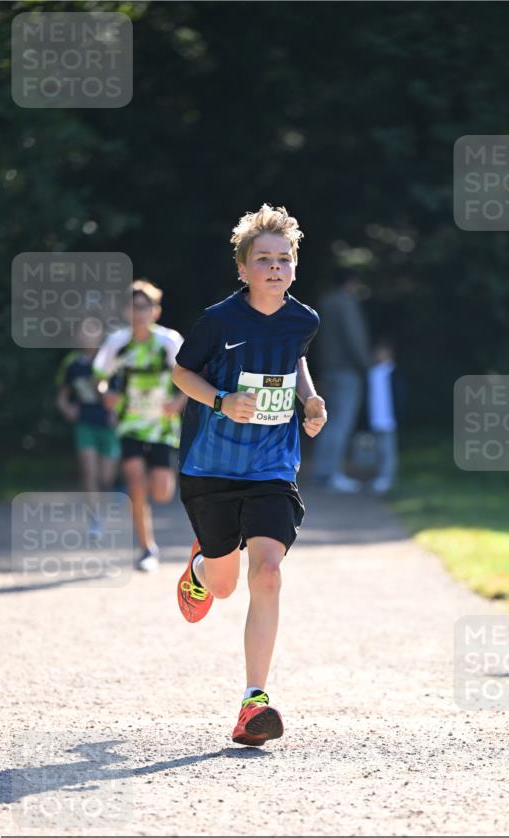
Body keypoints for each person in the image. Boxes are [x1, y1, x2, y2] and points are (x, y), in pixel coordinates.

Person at [172, 203, 326, 747]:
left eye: (284, 259)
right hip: (211, 466)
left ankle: (253, 700)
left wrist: (310, 401)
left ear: (295, 267)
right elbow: (181, 372)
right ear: (243, 268)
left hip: (272, 466)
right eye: (263, 259)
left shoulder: (304, 320)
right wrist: (220, 400)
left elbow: (295, 359)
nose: (275, 267)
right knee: (224, 584)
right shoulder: (219, 320)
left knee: (268, 573)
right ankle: (200, 568)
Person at [93, 280, 186, 571]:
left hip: (162, 426)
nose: (139, 312)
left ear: (156, 311)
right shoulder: (117, 343)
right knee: (135, 483)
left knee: (161, 492)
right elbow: (99, 378)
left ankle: (148, 484)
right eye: (134, 307)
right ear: (126, 311)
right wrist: (106, 394)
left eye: (145, 307)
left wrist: (178, 402)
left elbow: (190, 376)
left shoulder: (169, 341)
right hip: (129, 424)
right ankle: (147, 548)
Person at [55, 317, 120, 536]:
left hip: (108, 425)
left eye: (93, 331)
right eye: (84, 331)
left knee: (105, 477)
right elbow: (62, 396)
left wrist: (117, 412)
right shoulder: (71, 363)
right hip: (85, 423)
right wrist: (68, 409)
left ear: (101, 335)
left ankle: (115, 489)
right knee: (88, 471)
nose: (88, 335)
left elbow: (123, 393)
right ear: (77, 335)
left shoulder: (110, 361)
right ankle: (94, 518)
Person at [311, 268, 371, 492]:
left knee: (327, 422)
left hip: (328, 369)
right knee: (341, 424)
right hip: (347, 370)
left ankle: (322, 472)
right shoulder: (346, 303)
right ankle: (332, 474)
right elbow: (354, 338)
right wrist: (366, 365)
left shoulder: (325, 303)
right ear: (351, 282)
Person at [367, 338, 402, 494]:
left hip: (389, 418)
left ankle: (387, 477)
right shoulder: (372, 372)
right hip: (375, 417)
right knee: (377, 450)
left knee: (388, 450)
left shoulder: (393, 372)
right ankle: (379, 476)